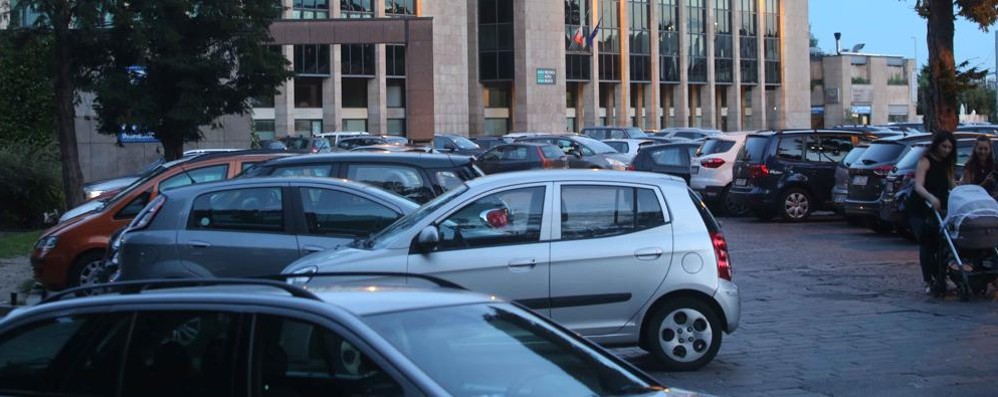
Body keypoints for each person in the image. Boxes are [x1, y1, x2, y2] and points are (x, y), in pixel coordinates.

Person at [908, 131, 957, 296]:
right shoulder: (925, 161)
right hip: (921, 208)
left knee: (942, 244)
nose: (947, 150)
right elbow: (918, 185)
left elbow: (951, 184)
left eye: (950, 147)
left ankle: (942, 277)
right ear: (937, 145)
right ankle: (928, 280)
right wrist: (930, 197)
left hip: (938, 209)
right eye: (944, 146)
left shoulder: (947, 163)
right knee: (926, 243)